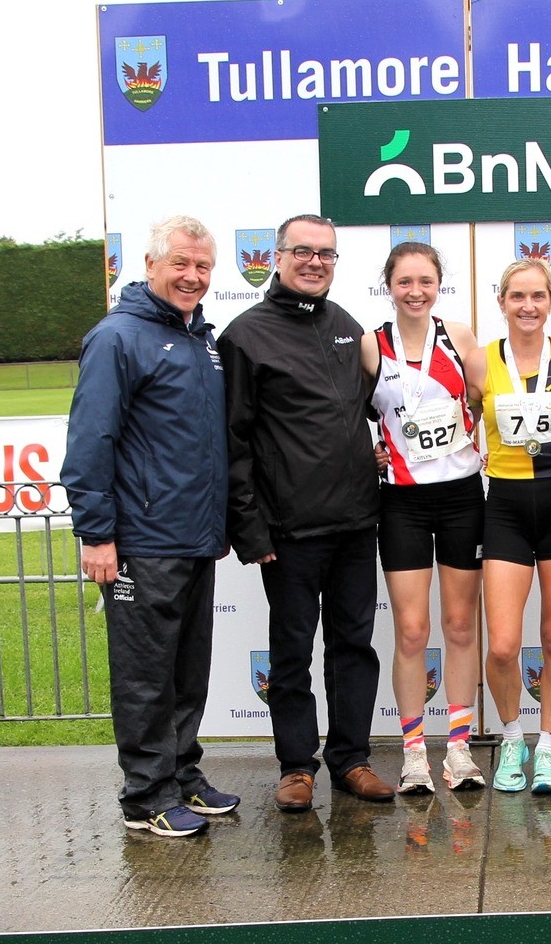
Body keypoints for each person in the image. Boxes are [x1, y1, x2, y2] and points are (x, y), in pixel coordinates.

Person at [60, 214, 238, 838]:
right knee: (144, 677)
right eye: (180, 264)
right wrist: (97, 534)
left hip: (194, 538)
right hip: (141, 540)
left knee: (186, 672)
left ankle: (181, 775)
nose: (192, 276)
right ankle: (146, 796)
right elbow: (91, 439)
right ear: (150, 265)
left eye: (202, 266)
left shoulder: (201, 340)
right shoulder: (117, 337)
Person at [223, 214, 394, 811]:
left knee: (354, 648)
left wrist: (379, 451)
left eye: (326, 253)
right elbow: (232, 442)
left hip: (356, 523)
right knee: (292, 652)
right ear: (278, 257)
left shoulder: (346, 326)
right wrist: (250, 528)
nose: (315, 262)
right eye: (303, 251)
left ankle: (352, 760)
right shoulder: (245, 336)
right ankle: (297, 767)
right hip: (288, 532)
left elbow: (373, 408)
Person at [363, 240, 487, 795]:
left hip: (462, 497)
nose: (415, 292)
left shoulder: (459, 337)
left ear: (439, 285)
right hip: (402, 503)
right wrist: (368, 452)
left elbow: (482, 400)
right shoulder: (371, 346)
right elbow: (350, 414)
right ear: (389, 286)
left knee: (460, 625)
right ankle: (414, 752)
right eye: (405, 282)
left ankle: (458, 748)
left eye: (425, 282)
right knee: (412, 630)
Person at [478, 257, 551, 794]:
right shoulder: (479, 362)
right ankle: (512, 738)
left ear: (550, 300)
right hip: (505, 506)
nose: (528, 306)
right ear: (501, 301)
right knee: (503, 644)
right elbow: (454, 421)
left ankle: (547, 747)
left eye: (537, 296)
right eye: (517, 296)